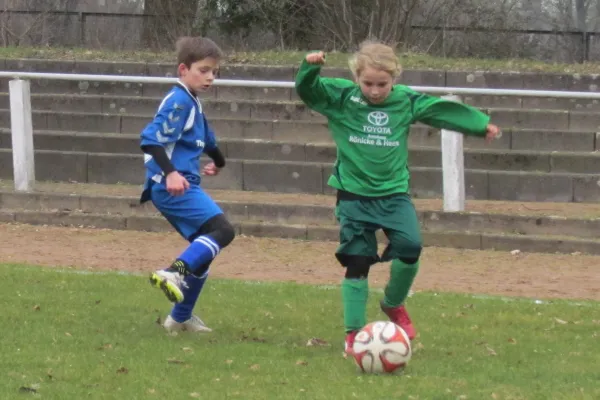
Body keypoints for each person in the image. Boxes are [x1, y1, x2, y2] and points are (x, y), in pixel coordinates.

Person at [294, 41, 500, 354]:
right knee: (358, 260)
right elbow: (309, 91)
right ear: (356, 77)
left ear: (395, 79)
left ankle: (393, 303)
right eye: (368, 84)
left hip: (393, 194)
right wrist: (310, 67)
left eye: (382, 84)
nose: (375, 91)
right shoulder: (341, 98)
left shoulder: (404, 101)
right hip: (353, 195)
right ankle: (354, 335)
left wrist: (479, 124)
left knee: (410, 246)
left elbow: (438, 110)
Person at [139, 36, 235, 333]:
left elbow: (209, 141)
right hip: (171, 186)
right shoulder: (179, 100)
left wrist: (217, 162)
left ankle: (180, 318)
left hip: (182, 184)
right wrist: (170, 173)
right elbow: (150, 141)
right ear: (183, 69)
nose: (210, 77)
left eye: (214, 72)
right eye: (203, 70)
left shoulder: (193, 102)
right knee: (223, 231)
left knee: (204, 252)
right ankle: (172, 272)